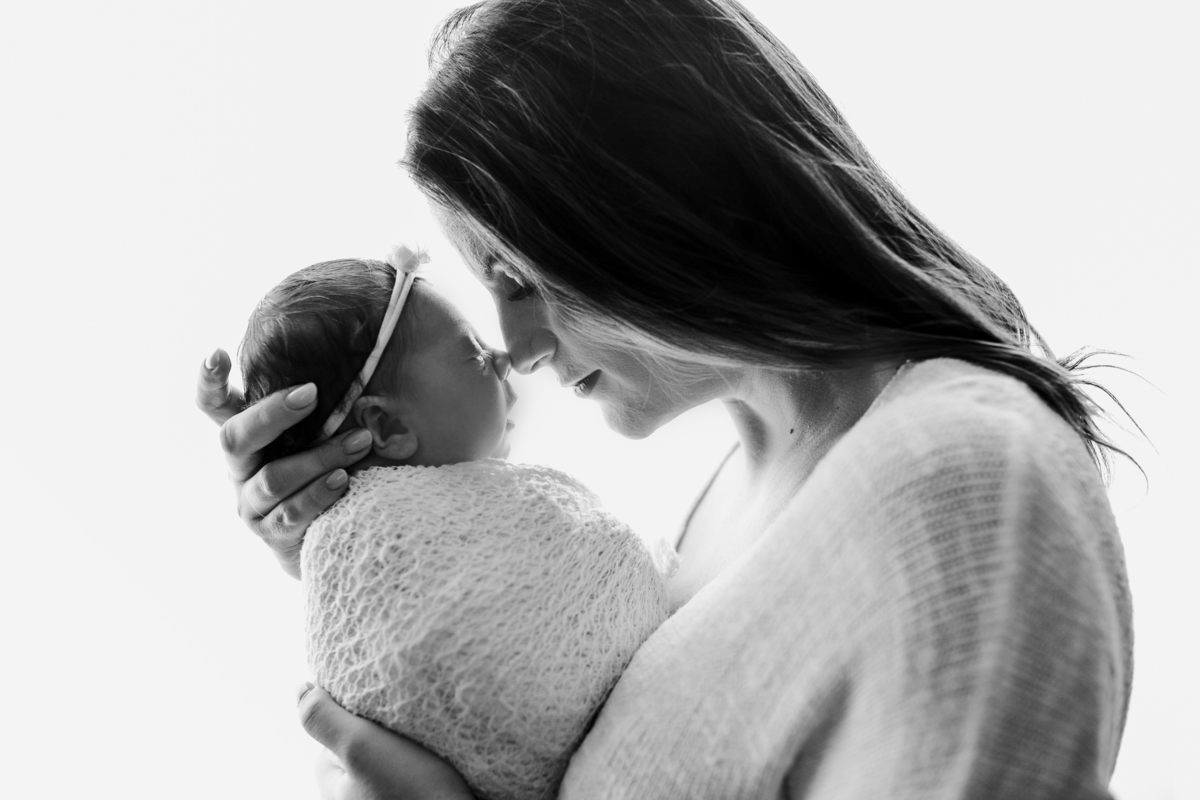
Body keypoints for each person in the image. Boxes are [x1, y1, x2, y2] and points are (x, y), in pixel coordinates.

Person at [196, 0, 1134, 797]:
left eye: (518, 277)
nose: (515, 351)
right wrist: (359, 546)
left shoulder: (965, 486)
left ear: (655, 200)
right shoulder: (722, 501)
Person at [237, 247, 674, 800]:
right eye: (471, 354)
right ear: (386, 425)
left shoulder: (476, 517)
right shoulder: (356, 544)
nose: (504, 357)